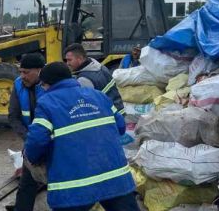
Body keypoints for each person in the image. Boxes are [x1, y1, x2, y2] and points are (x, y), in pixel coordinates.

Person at [25, 62, 139, 211]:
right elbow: (120, 127)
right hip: (114, 178)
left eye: (43, 85)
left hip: (74, 185)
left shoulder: (47, 103)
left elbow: (37, 141)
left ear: (47, 84)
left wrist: (31, 158)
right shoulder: (99, 96)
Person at [7, 53, 46, 211]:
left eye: (26, 72)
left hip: (53, 144)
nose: (22, 76)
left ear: (39, 71)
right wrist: (29, 138)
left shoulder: (49, 85)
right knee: (26, 186)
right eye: (20, 71)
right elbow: (13, 117)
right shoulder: (18, 85)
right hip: (32, 143)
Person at [64, 43, 123, 113]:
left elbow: (86, 107)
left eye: (69, 60)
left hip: (109, 115)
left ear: (79, 59)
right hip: (119, 110)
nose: (67, 63)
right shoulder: (101, 67)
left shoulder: (83, 79)